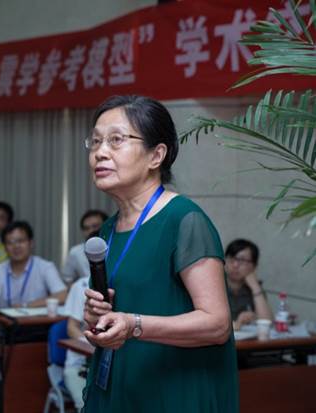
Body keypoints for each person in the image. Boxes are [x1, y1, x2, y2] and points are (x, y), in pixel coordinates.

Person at [81, 95, 237, 412]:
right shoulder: (107, 230)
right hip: (122, 386)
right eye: (95, 141)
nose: (100, 152)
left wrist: (133, 324)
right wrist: (99, 318)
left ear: (156, 155)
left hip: (172, 392)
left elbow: (217, 324)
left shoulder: (184, 220)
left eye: (116, 140)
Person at [0, 220, 67, 413]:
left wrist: (27, 305)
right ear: (5, 247)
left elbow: (62, 295)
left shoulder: (45, 267)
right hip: (2, 329)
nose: (16, 246)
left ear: (31, 243)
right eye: (10, 242)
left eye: (21, 241)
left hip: (37, 331)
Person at [225, 239, 273, 330]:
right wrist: (237, 323)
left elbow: (267, 323)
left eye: (242, 260)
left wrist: (255, 287)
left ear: (254, 266)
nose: (235, 265)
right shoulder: (215, 284)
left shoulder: (253, 288)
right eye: (231, 258)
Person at [63, 275, 91, 411]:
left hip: (115, 365)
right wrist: (91, 343)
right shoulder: (82, 285)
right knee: (85, 406)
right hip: (80, 365)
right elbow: (71, 328)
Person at [62, 209, 108, 285]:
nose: (91, 231)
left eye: (95, 226)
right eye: (86, 228)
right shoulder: (75, 252)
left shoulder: (115, 246)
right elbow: (68, 279)